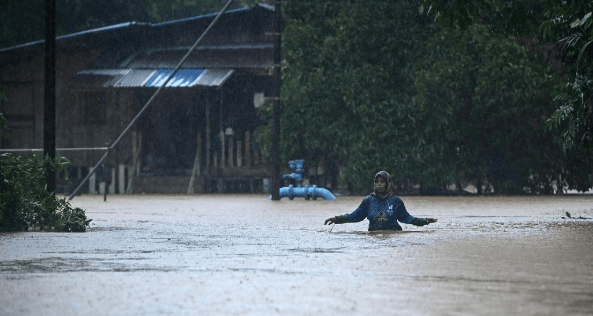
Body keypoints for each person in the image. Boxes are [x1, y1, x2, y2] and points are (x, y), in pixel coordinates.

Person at [324, 171, 437, 231]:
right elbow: (354, 216)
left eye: (382, 181)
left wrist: (425, 221)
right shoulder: (368, 200)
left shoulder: (396, 201)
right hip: (373, 238)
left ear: (388, 183)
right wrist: (336, 219)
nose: (378, 184)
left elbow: (408, 218)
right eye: (376, 181)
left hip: (393, 237)